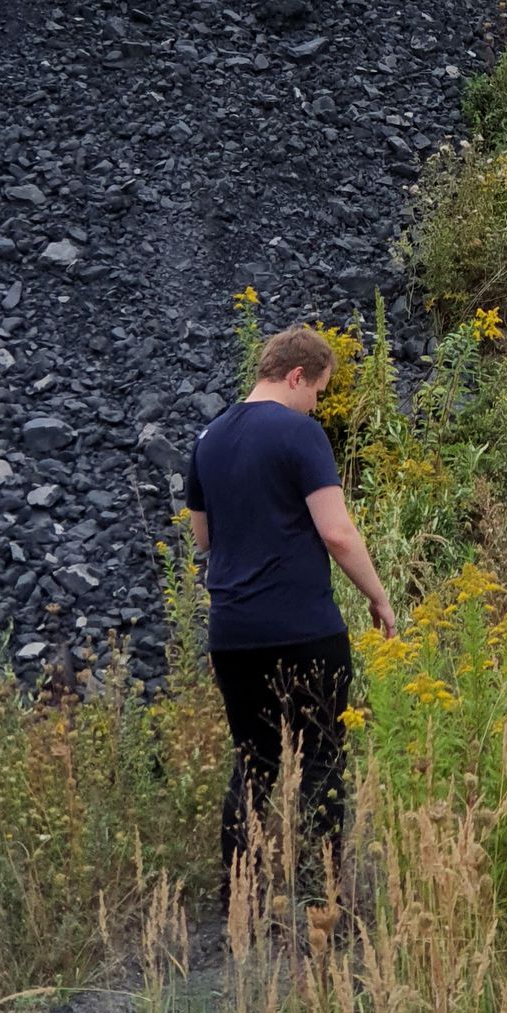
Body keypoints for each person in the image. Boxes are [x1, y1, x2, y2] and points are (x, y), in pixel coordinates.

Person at [185, 324, 396, 907]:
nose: (317, 404)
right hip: (303, 630)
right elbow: (336, 531)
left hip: (232, 633)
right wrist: (378, 596)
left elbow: (204, 540)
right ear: (298, 375)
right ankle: (321, 894)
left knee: (254, 762)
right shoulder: (300, 435)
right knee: (324, 758)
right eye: (319, 392)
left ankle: (239, 902)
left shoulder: (208, 439)